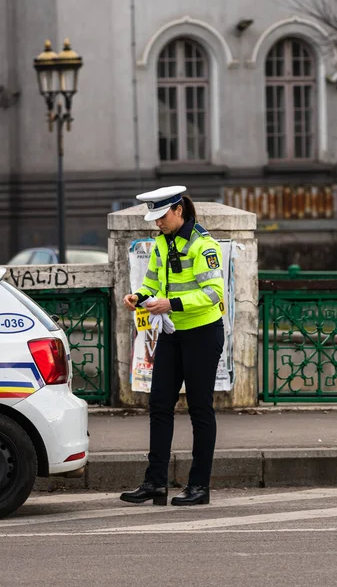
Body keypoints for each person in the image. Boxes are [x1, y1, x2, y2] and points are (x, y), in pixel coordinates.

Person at [121, 185, 225, 507]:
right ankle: (155, 483)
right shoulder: (162, 244)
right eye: (154, 219)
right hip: (171, 333)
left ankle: (199, 487)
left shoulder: (204, 245)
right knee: (159, 405)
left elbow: (213, 293)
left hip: (202, 335)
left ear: (179, 209)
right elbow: (153, 280)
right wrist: (139, 296)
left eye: (162, 217)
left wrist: (171, 304)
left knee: (200, 409)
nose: (158, 224)